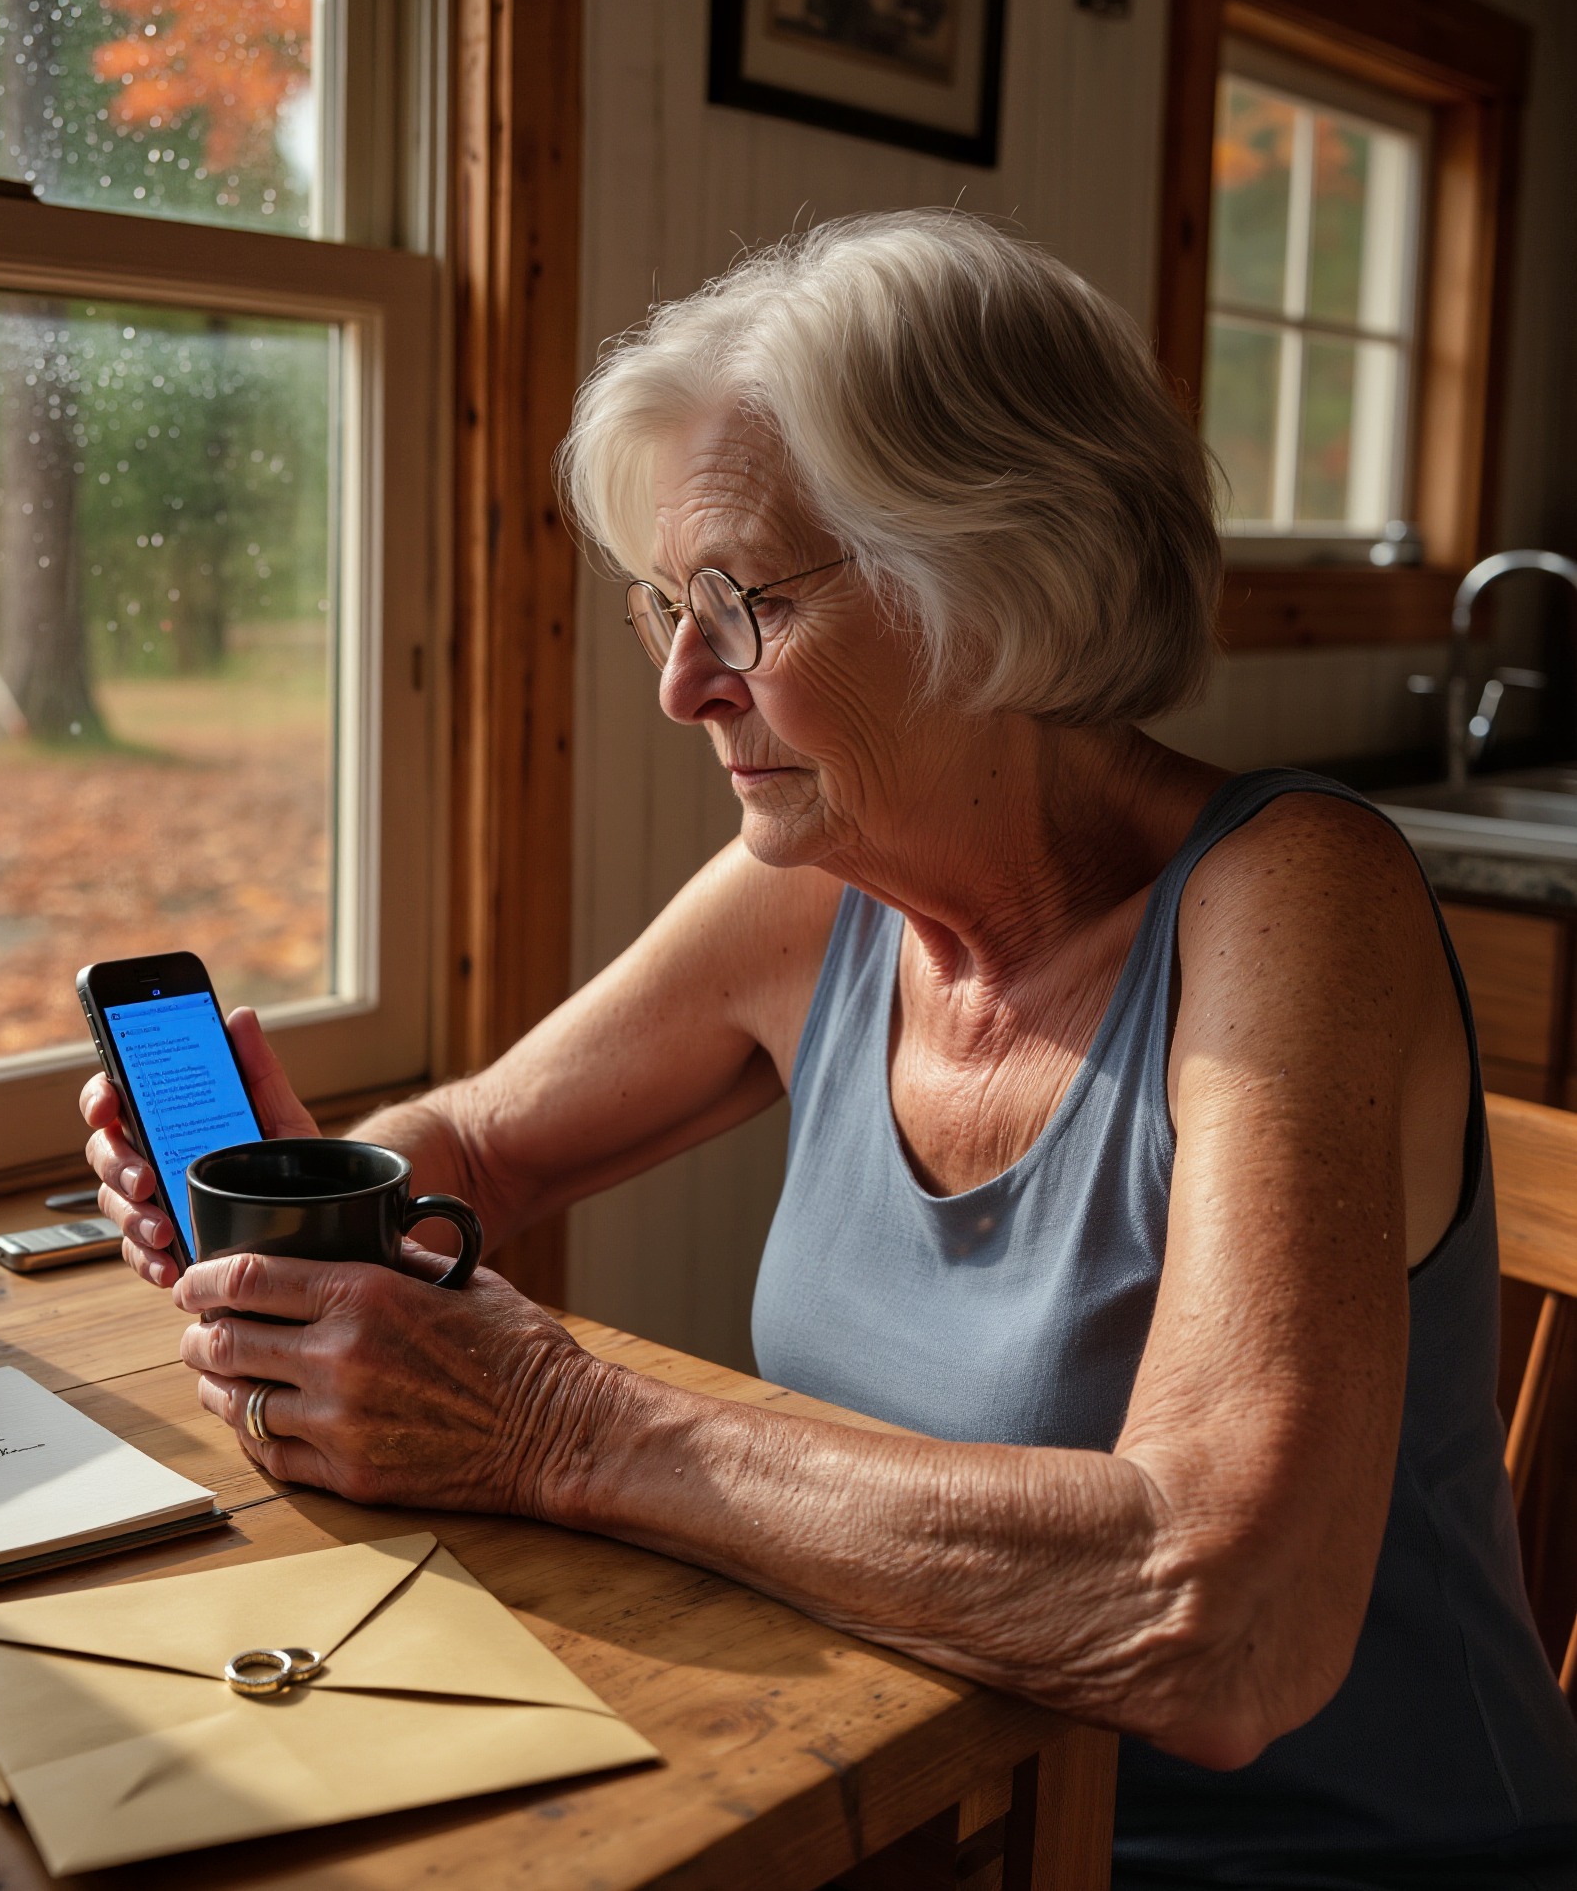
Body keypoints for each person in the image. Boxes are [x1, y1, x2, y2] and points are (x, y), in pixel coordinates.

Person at [83, 213, 1577, 1884]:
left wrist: (564, 1429)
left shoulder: (1295, 900)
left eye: (740, 605)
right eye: (666, 607)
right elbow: (486, 1143)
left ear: (993, 584)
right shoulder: (827, 880)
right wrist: (315, 1192)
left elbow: (1221, 1617)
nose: (682, 685)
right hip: (936, 1806)